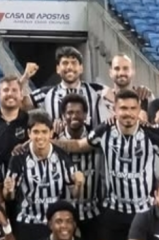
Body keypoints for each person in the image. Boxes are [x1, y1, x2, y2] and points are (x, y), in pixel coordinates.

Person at [54, 90, 159, 240]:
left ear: (139, 109)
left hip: (143, 210)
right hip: (113, 210)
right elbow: (79, 145)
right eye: (123, 108)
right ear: (115, 110)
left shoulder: (152, 134)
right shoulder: (104, 130)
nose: (128, 113)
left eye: (133, 108)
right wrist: (45, 142)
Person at [4, 112, 82, 240]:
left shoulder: (62, 156)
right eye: (36, 132)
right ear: (29, 133)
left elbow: (75, 194)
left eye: (44, 132)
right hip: (27, 221)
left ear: (51, 133)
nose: (40, 136)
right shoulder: (19, 158)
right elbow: (9, 197)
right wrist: (8, 190)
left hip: (53, 223)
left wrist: (79, 184)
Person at [57, 94, 103, 239]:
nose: (74, 116)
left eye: (78, 112)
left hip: (92, 211)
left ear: (85, 115)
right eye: (70, 113)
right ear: (63, 115)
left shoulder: (97, 140)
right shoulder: (55, 140)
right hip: (64, 212)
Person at [25, 47, 105, 125]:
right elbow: (19, 104)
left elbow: (116, 100)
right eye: (65, 63)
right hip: (58, 138)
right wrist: (25, 77)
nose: (69, 67)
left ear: (81, 68)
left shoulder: (97, 90)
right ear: (58, 69)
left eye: (74, 63)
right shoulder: (46, 94)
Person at [0, 76, 30, 164]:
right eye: (6, 90)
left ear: (21, 95)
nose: (10, 94)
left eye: (14, 90)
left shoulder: (29, 121)